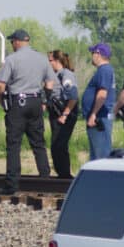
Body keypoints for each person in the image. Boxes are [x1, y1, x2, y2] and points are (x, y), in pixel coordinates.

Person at [0, 29, 55, 194]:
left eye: (12, 41)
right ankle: (45, 180)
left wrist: (2, 102)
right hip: (36, 102)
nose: (12, 45)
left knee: (14, 145)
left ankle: (12, 184)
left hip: (17, 103)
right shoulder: (42, 59)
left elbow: (0, 85)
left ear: (17, 41)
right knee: (38, 143)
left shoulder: (12, 59)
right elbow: (50, 83)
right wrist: (44, 101)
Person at [47, 50, 79, 178]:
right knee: (55, 145)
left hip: (65, 114)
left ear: (57, 61)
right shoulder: (55, 75)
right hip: (56, 113)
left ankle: (65, 175)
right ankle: (61, 173)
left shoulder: (66, 75)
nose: (48, 63)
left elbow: (73, 97)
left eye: (50, 60)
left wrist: (65, 115)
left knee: (60, 145)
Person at [82, 43, 116, 161]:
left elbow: (102, 94)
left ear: (98, 54)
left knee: (100, 156)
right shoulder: (104, 70)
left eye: (93, 53)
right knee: (96, 154)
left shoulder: (104, 70)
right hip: (99, 117)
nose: (92, 56)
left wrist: (93, 114)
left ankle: (103, 178)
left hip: (99, 118)